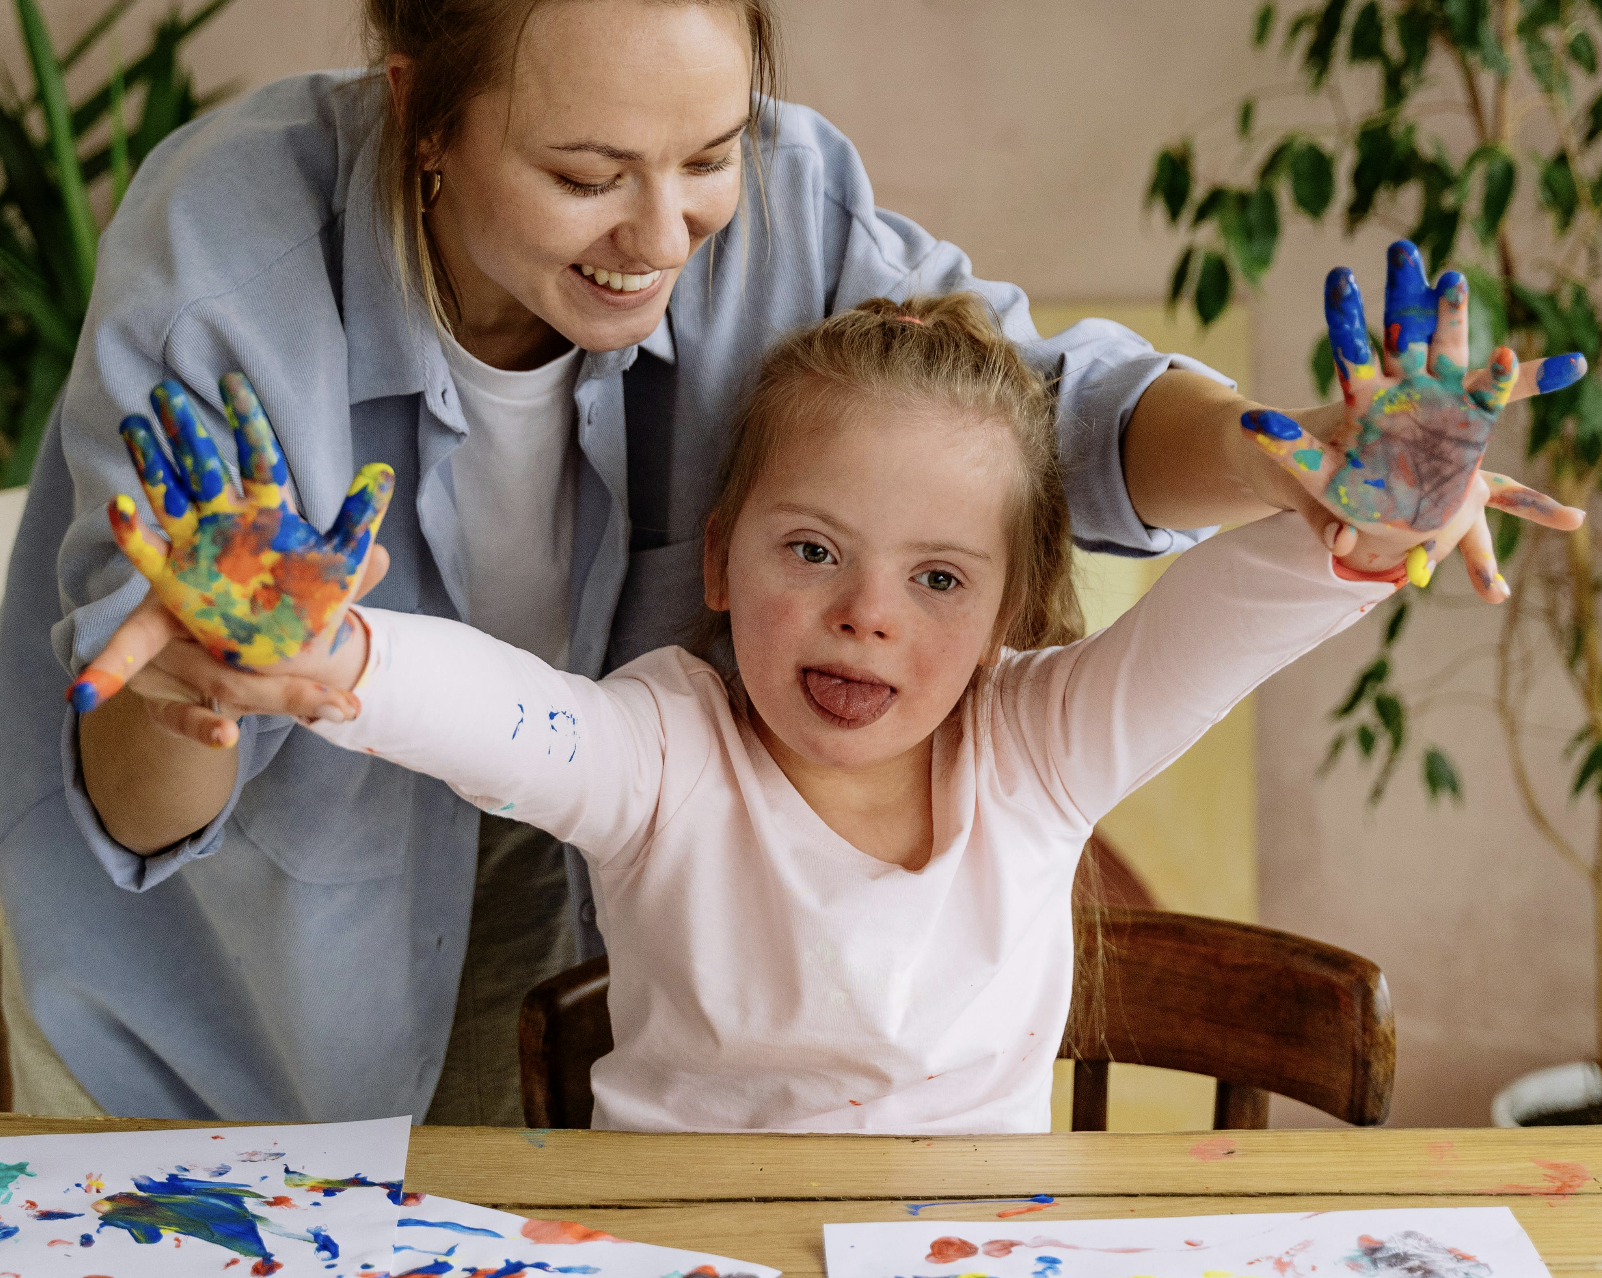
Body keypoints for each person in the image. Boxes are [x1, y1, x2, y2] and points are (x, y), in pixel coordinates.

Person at [0, 0, 1573, 1127]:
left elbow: (1046, 420)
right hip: (235, 1006)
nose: (662, 232)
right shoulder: (225, 263)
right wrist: (224, 678)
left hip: (566, 919)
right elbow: (137, 797)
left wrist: (1302, 463)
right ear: (424, 116)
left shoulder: (792, 204)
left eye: (706, 155)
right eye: (584, 173)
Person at [72, 267, 1581, 1132]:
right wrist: (336, 657)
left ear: (1011, 609)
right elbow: (506, 717)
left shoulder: (1036, 747)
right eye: (813, 551)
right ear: (719, 560)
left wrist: (1361, 525)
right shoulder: (665, 746)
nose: (867, 610)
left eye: (938, 579)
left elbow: (1223, 622)